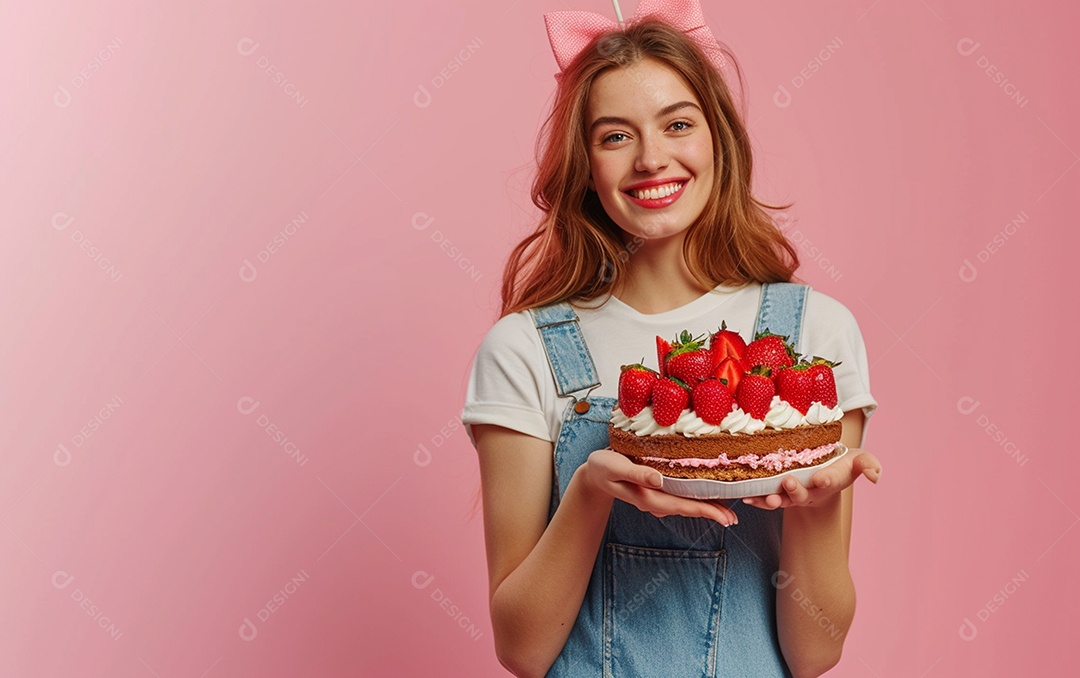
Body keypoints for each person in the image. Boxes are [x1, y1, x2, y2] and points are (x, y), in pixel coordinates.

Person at [461, 2, 882, 675]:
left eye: (678, 124)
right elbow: (521, 648)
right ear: (586, 164)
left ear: (719, 138)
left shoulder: (813, 335)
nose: (652, 158)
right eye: (615, 136)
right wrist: (592, 491)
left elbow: (815, 653)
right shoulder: (523, 350)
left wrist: (815, 507)